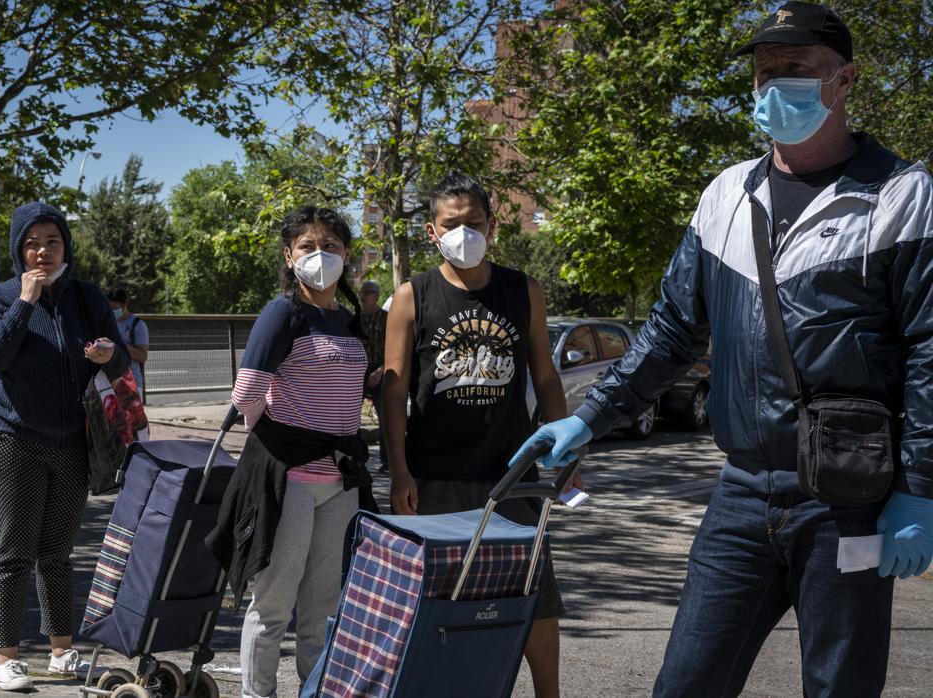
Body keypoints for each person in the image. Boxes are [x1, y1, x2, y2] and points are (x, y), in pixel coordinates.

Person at [516, 4, 933, 695]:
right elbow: (672, 332)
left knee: (841, 686)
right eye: (765, 74)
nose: (775, 88)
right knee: (685, 683)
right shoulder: (725, 196)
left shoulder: (901, 195)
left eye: (796, 71)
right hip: (742, 495)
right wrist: (589, 420)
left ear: (845, 79)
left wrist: (919, 489)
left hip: (848, 500)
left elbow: (928, 351)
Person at [382, 172, 571, 698]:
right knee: (436, 601)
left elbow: (546, 377)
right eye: (452, 223)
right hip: (433, 477)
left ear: (492, 225)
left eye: (474, 222)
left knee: (533, 594)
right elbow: (394, 392)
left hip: (512, 475)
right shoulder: (411, 296)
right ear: (431, 231)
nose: (464, 231)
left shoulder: (523, 289)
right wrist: (398, 470)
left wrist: (566, 448)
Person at [207, 205, 376, 698]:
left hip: (340, 481)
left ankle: (315, 690)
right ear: (288, 255)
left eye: (331, 247)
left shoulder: (348, 319)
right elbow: (246, 395)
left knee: (324, 607)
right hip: (292, 480)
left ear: (348, 257)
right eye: (308, 246)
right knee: (274, 604)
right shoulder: (283, 312)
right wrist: (283, 441)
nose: (320, 255)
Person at [0, 202, 131, 692]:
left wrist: (108, 354)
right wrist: (24, 302)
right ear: (20, 249)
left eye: (53, 241)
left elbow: (121, 356)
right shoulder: (0, 297)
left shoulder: (86, 297)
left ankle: (62, 651)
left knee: (58, 554)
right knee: (14, 551)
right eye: (33, 242)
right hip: (11, 439)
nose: (43, 251)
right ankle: (7, 658)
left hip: (72, 442)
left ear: (67, 246)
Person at [358, 279, 388, 470]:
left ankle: (387, 461)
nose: (362, 295)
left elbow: (396, 350)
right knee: (350, 417)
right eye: (361, 291)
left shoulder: (387, 318)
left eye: (366, 292)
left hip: (382, 372)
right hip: (358, 373)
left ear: (376, 296)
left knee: (386, 418)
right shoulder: (355, 318)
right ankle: (354, 459)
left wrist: (380, 371)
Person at [108, 286, 150, 394]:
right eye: (109, 308)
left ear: (124, 304)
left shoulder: (137, 325)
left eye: (114, 308)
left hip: (132, 385)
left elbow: (142, 356)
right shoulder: (107, 323)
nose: (111, 312)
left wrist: (118, 345)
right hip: (110, 384)